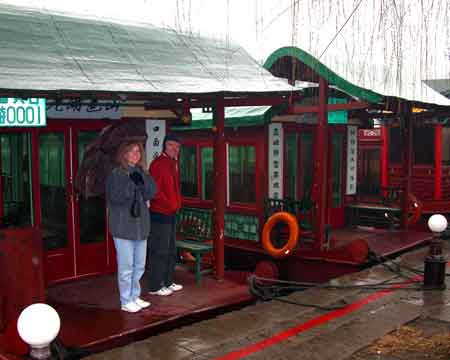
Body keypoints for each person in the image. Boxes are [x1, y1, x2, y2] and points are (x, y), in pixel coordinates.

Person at [106, 142, 157, 312]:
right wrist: (131, 183)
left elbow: (151, 192)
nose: (136, 154)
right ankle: (125, 300)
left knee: (139, 265)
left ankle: (135, 296)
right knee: (126, 266)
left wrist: (143, 180)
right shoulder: (116, 174)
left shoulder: (141, 172)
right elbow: (116, 197)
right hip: (123, 228)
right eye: (132, 151)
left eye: (138, 151)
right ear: (124, 154)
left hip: (140, 227)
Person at [147, 133, 183, 296]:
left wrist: (176, 204)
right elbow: (154, 192)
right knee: (159, 250)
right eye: (171, 145)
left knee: (170, 250)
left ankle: (167, 282)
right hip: (160, 213)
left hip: (171, 213)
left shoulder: (173, 163)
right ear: (164, 146)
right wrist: (171, 204)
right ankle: (155, 286)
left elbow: (174, 188)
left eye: (177, 146)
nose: (174, 149)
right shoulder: (158, 164)